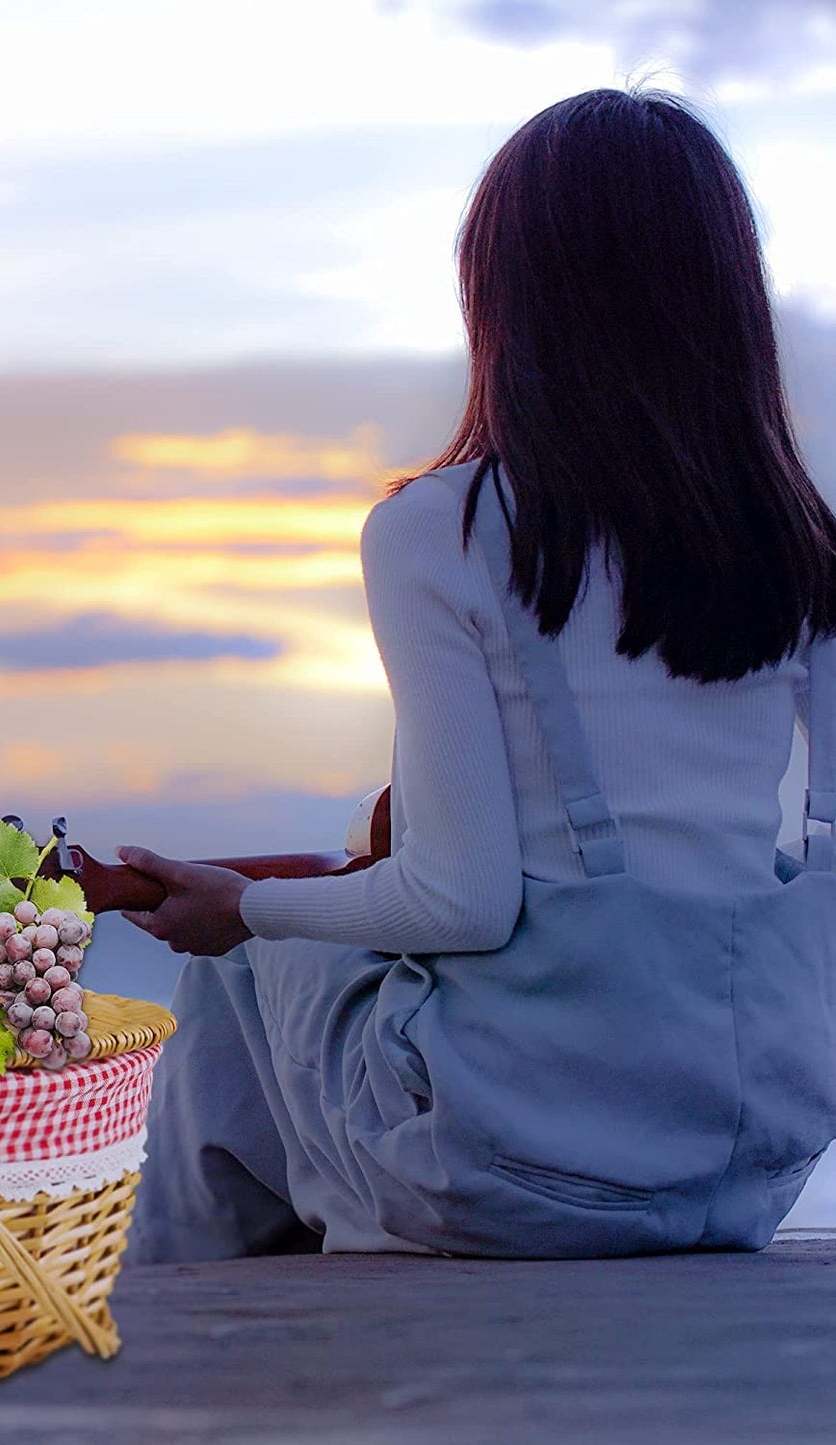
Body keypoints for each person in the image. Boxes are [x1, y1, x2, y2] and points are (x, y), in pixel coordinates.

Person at [116, 85, 836, 1264]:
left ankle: (185, 1332)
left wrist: (238, 906)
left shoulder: (438, 531)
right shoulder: (795, 538)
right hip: (740, 1163)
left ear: (504, 295)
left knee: (247, 974)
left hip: (519, 1160)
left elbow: (459, 901)